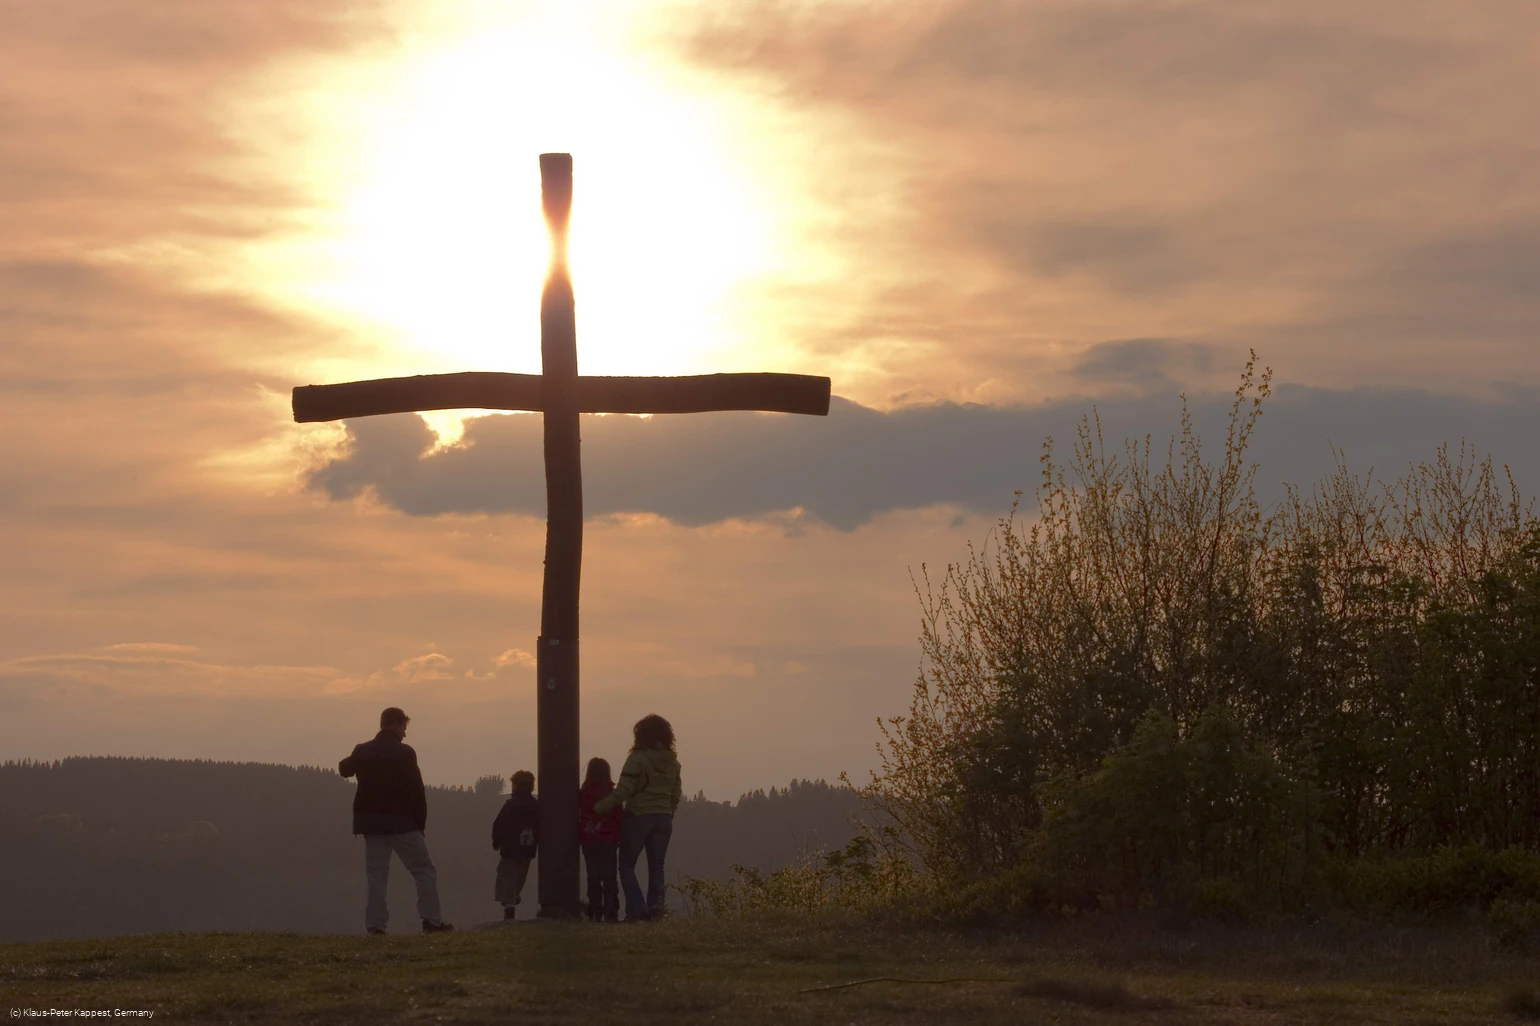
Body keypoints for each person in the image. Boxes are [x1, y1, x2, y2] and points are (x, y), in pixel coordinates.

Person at [338, 707, 454, 935]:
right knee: (423, 870)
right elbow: (417, 791)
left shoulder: (363, 750)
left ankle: (376, 927)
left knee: (376, 877)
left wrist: (358, 756)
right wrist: (420, 824)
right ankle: (431, 922)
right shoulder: (405, 753)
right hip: (403, 824)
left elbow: (344, 770)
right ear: (396, 724)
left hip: (372, 825)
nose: (405, 733)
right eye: (404, 728)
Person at [594, 714, 681, 921]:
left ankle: (637, 909)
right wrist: (668, 812)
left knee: (626, 865)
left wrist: (599, 807)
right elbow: (676, 794)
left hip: (638, 817)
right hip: (664, 819)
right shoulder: (673, 763)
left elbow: (624, 790)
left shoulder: (638, 758)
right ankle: (656, 911)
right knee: (657, 867)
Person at [578, 757, 623, 922]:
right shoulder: (611, 793)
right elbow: (619, 816)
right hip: (609, 839)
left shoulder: (583, 793)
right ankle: (611, 914)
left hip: (589, 840)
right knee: (609, 878)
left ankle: (595, 913)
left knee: (593, 877)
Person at [491, 770, 539, 919]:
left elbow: (499, 824)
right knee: (520, 876)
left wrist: (496, 841)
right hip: (527, 847)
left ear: (516, 785)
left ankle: (509, 906)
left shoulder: (511, 805)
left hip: (510, 847)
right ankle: (514, 897)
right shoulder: (535, 805)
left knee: (506, 876)